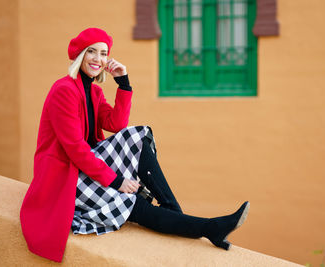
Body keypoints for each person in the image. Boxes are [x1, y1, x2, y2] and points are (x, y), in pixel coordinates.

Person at [20, 28, 250, 263]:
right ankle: (207, 227)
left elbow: (116, 124)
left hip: (85, 168)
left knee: (137, 137)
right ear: (80, 55)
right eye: (92, 52)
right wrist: (117, 181)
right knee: (130, 202)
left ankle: (176, 213)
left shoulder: (93, 91)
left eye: (103, 53)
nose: (98, 59)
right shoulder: (64, 90)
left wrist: (123, 83)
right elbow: (75, 149)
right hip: (66, 179)